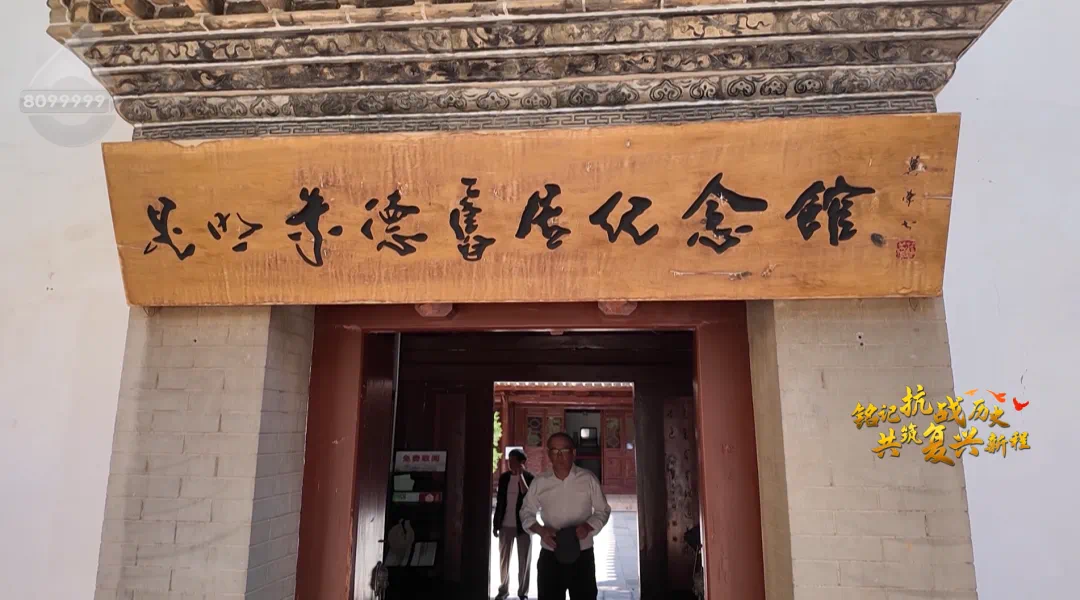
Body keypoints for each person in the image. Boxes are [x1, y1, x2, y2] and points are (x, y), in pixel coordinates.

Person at [519, 433, 611, 600]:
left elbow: (602, 510)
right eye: (554, 451)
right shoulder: (540, 482)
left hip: (582, 555)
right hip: (551, 554)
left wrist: (588, 527)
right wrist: (541, 530)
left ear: (573, 452)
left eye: (564, 450)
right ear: (549, 454)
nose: (559, 456)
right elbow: (526, 511)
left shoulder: (588, 479)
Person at [493, 449, 535, 600]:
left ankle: (523, 592)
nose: (510, 463)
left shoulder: (530, 478)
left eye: (513, 461)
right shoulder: (504, 478)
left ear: (522, 462)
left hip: (524, 525)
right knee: (504, 560)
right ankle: (503, 590)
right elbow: (500, 502)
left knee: (524, 560)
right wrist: (496, 524)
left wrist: (520, 476)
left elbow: (528, 496)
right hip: (505, 524)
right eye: (509, 460)